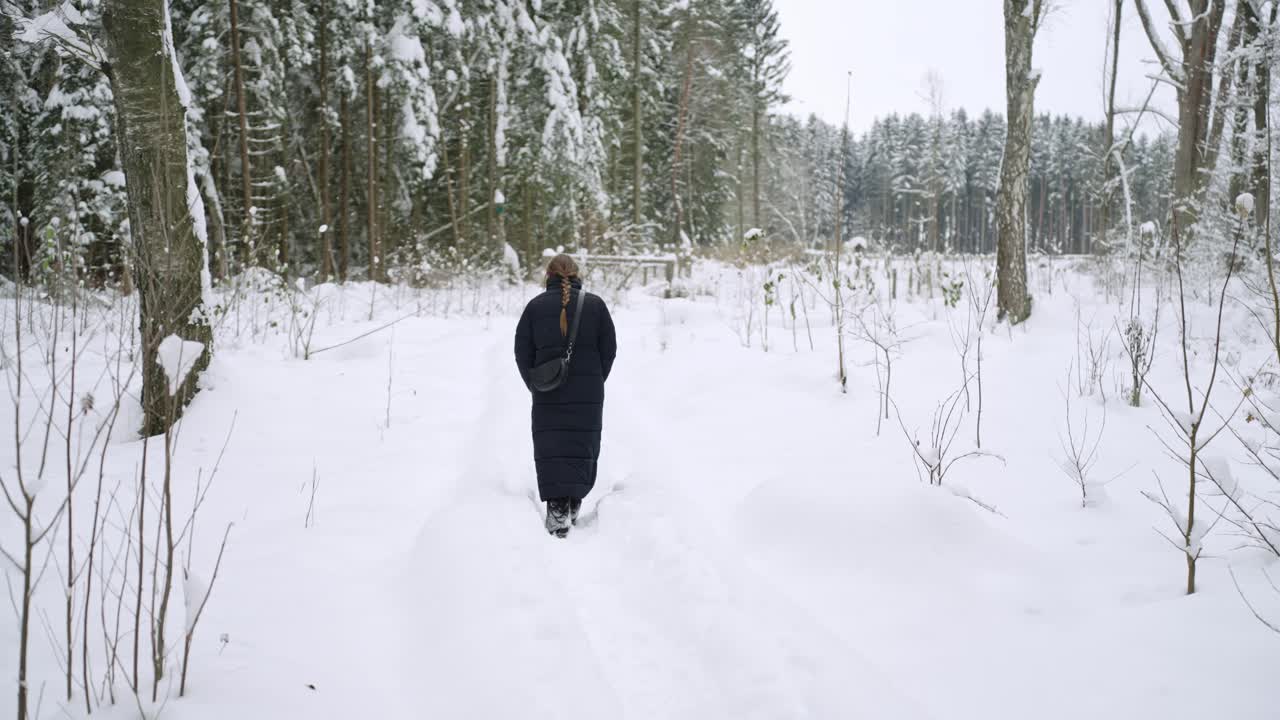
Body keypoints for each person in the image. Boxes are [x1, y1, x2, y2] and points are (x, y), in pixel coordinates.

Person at [514, 254, 617, 537]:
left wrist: (536, 383)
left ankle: (557, 508)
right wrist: (595, 379)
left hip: (547, 392)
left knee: (552, 446)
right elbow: (609, 350)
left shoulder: (535, 307)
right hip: (588, 392)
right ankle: (573, 503)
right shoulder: (595, 306)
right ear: (576, 275)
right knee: (581, 445)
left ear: (548, 276)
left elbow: (522, 352)